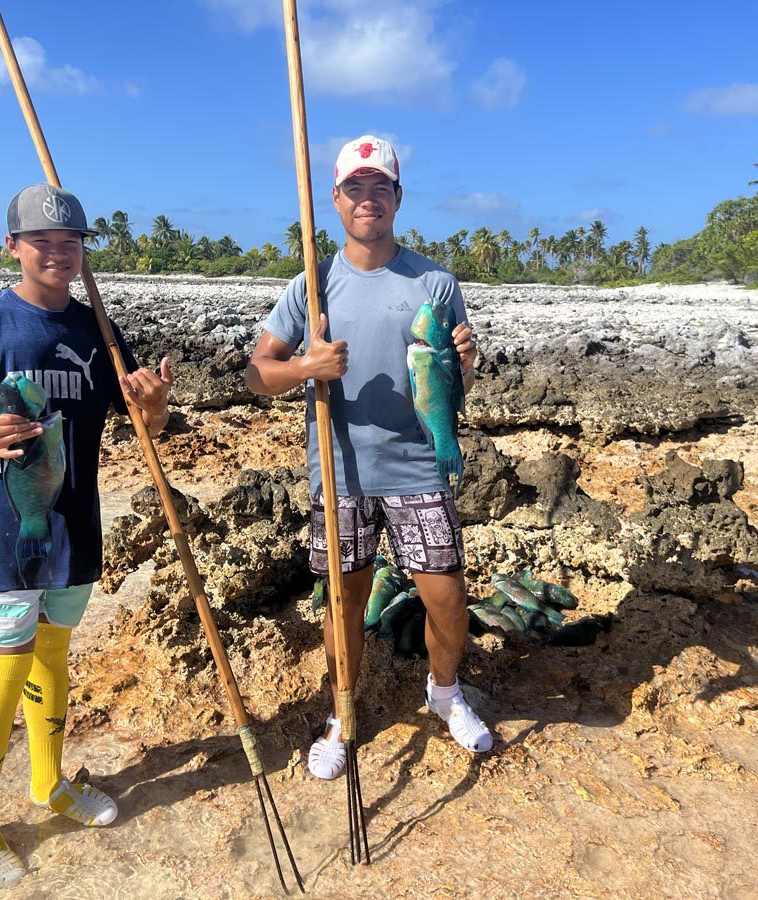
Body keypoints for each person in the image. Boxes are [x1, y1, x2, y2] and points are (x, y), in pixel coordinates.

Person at [0, 184, 171, 886]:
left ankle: (49, 786)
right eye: (43, 240)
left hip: (72, 528)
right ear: (13, 245)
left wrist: (155, 406)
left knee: (52, 659)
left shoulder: (97, 330)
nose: (59, 251)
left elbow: (145, 428)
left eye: (71, 242)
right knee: (4, 668)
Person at [246, 135, 493, 781]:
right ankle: (341, 715)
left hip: (418, 464)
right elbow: (257, 372)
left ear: (397, 198)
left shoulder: (435, 282)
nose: (367, 199)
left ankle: (444, 693)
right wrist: (306, 366)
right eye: (355, 188)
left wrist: (465, 364)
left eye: (379, 187)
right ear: (336, 199)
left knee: (446, 598)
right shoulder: (313, 283)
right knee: (345, 603)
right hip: (341, 470)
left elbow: (451, 390)